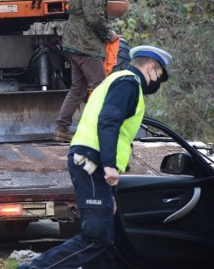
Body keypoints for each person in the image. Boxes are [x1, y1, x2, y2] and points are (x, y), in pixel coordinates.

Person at [19, 45, 172, 269]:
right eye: (158, 75)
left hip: (91, 160)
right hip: (92, 161)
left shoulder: (119, 81)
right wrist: (109, 165)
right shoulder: (128, 83)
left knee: (106, 240)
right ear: (150, 68)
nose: (156, 81)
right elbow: (108, 121)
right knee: (95, 238)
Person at [55, 0, 121, 142]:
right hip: (86, 47)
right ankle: (101, 131)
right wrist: (110, 35)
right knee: (101, 88)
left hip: (75, 44)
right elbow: (95, 19)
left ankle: (62, 128)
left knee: (78, 89)